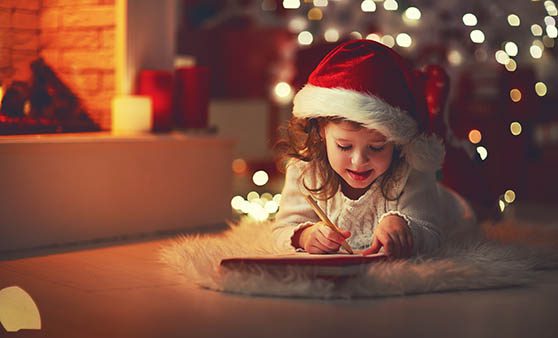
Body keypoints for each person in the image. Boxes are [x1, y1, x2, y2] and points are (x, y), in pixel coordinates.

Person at [273, 40, 477, 258]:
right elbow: (280, 231)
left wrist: (405, 227)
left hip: (456, 217)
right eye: (344, 146)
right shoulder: (306, 170)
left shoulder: (411, 171)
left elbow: (432, 235)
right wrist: (305, 236)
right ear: (322, 132)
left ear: (395, 142)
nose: (359, 161)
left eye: (377, 148)